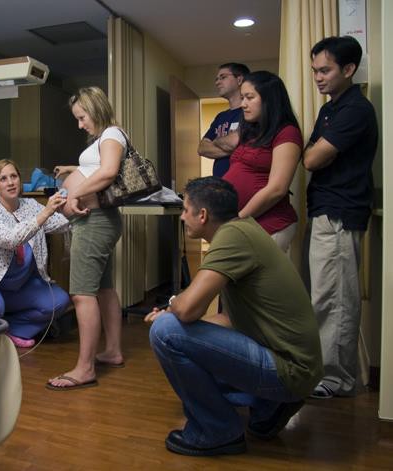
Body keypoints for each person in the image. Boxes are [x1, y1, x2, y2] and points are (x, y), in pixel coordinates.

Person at [146, 177, 323, 457]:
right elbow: (231, 320)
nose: (181, 216)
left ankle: (217, 432)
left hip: (289, 369)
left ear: (202, 215)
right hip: (297, 366)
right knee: (176, 331)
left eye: (185, 209)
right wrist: (178, 318)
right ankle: (268, 408)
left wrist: (171, 309)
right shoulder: (244, 230)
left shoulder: (231, 237)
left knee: (165, 332)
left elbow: (190, 308)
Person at [303, 36, 378, 399]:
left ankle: (336, 379)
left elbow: (312, 159)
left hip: (340, 211)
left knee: (334, 300)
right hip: (325, 209)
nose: (317, 77)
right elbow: (311, 152)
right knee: (323, 296)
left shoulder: (355, 110)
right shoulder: (330, 109)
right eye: (315, 70)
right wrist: (315, 151)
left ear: (348, 70)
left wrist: (316, 151)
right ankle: (328, 374)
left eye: (325, 70)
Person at [47, 86, 124, 390]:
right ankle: (114, 350)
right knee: (103, 288)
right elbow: (96, 168)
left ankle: (84, 368)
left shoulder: (111, 135)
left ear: (95, 109)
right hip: (97, 221)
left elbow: (107, 173)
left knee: (81, 294)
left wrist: (71, 192)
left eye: (81, 117)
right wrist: (74, 170)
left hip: (94, 222)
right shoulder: (106, 138)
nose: (80, 124)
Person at [0, 159, 71, 348]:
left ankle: (12, 330)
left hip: (18, 289)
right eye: (3, 179)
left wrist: (79, 211)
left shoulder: (30, 205)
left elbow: (59, 222)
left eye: (14, 176)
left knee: (59, 301)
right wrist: (45, 212)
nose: (10, 182)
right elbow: (10, 239)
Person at [221, 70, 303, 252]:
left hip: (268, 222)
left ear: (269, 100)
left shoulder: (287, 132)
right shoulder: (251, 133)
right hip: (245, 223)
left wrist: (239, 218)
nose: (243, 104)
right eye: (242, 98)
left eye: (249, 97)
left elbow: (277, 189)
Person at [198, 63, 250, 178]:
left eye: (223, 77)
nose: (217, 82)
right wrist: (236, 149)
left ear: (239, 79)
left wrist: (216, 141)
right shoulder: (220, 117)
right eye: (216, 79)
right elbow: (202, 148)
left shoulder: (250, 113)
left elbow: (243, 147)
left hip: (242, 183)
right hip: (220, 186)